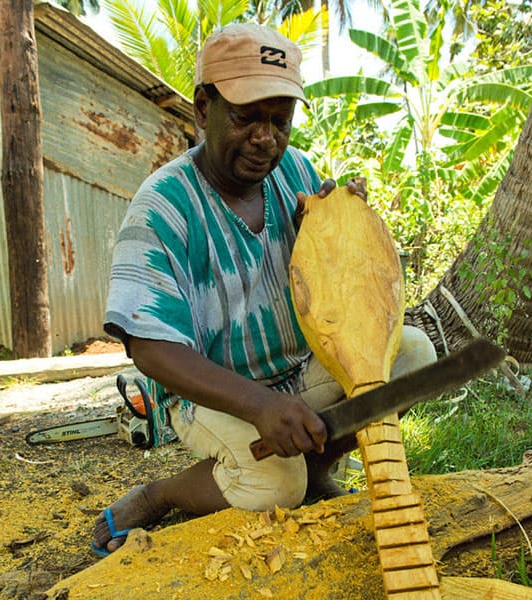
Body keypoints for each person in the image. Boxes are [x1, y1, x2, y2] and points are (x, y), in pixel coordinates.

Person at [93, 22, 436, 556]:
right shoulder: (162, 205)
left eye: (280, 120)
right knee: (274, 485)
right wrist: (256, 405)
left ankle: (315, 471)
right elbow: (149, 347)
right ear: (202, 107)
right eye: (247, 117)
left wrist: (344, 227)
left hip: (296, 374)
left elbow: (336, 286)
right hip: (210, 397)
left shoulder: (295, 173)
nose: (266, 137)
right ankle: (161, 494)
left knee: (413, 356)